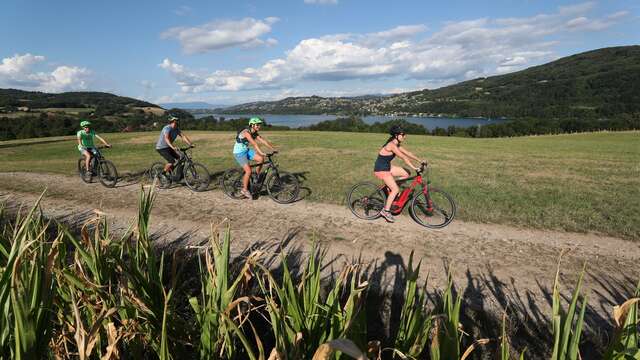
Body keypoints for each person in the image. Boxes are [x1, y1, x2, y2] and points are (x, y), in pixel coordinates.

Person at [373, 125, 425, 222]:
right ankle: (386, 211)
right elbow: (403, 157)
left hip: (387, 167)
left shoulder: (396, 144)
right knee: (396, 189)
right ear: (397, 135)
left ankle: (390, 189)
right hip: (381, 169)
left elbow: (408, 153)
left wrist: (420, 160)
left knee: (406, 173)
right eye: (403, 134)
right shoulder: (391, 145)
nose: (405, 136)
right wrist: (415, 168)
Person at [233, 117, 276, 199]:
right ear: (252, 125)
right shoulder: (246, 132)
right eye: (257, 125)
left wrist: (273, 148)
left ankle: (256, 175)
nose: (259, 126)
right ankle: (244, 190)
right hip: (239, 153)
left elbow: (263, 141)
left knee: (260, 159)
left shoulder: (254, 132)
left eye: (259, 125)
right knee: (248, 171)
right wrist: (261, 152)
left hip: (246, 150)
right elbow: (254, 144)